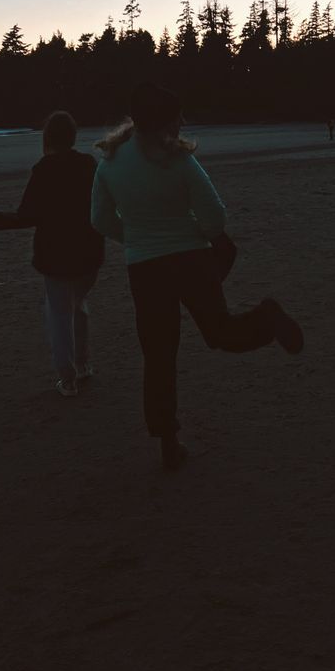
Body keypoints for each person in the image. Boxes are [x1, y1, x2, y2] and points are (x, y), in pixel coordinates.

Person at [90, 82, 303, 471]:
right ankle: (267, 318)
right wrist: (191, 235)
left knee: (158, 356)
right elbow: (215, 218)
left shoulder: (110, 164)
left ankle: (167, 441)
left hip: (145, 267)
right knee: (219, 332)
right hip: (190, 259)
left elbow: (100, 219)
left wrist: (135, 237)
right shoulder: (180, 161)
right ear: (166, 121)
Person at [0, 111, 103, 397]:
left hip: (56, 254)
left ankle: (68, 376)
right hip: (89, 250)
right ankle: (83, 365)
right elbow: (102, 204)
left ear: (47, 138)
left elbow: (28, 214)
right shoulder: (89, 165)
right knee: (78, 306)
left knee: (59, 314)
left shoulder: (45, 169)